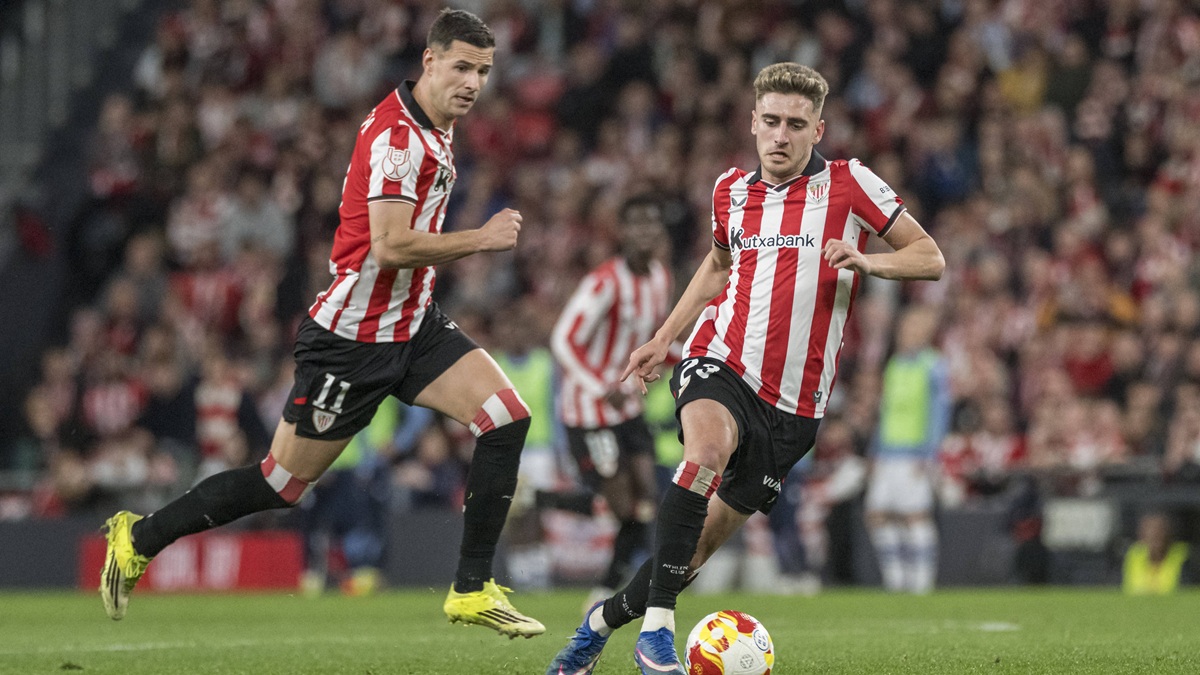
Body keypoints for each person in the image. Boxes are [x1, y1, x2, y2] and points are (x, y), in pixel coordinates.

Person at [100, 8, 546, 639]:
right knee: (281, 483)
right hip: (352, 340)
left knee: (506, 417)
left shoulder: (435, 126)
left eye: (483, 71)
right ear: (429, 60)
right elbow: (388, 247)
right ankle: (138, 538)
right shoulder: (399, 138)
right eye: (462, 67)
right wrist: (481, 237)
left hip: (412, 324)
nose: (473, 83)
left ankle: (471, 590)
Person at [545, 62, 944, 675]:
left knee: (692, 550)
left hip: (795, 408)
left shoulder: (850, 183)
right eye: (771, 121)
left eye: (796, 125)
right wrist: (665, 337)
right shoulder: (730, 190)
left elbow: (929, 257)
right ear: (753, 122)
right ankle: (657, 636)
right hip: (720, 359)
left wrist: (870, 262)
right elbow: (716, 266)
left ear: (818, 129)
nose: (781, 135)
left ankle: (595, 627)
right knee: (705, 451)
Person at [550, 194, 672, 607]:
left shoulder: (660, 278)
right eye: (636, 223)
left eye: (652, 222)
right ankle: (539, 498)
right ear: (623, 232)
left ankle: (604, 591)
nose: (645, 231)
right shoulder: (605, 282)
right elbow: (563, 340)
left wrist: (686, 355)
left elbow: (655, 340)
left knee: (647, 503)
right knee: (620, 506)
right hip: (589, 412)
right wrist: (603, 387)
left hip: (629, 408)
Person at [864, 304, 951, 594]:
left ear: (926, 332)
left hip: (914, 452)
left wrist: (930, 453)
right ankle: (896, 579)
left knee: (915, 515)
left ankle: (921, 582)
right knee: (877, 513)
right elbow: (886, 412)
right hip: (888, 452)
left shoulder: (934, 365)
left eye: (913, 328)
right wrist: (875, 450)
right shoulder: (895, 364)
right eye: (904, 328)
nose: (907, 333)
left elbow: (939, 411)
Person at [1122, 512, 1193, 595]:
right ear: (1142, 537)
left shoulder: (1186, 559)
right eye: (1151, 536)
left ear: (1169, 535)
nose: (1155, 541)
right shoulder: (1131, 556)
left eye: (1159, 534)